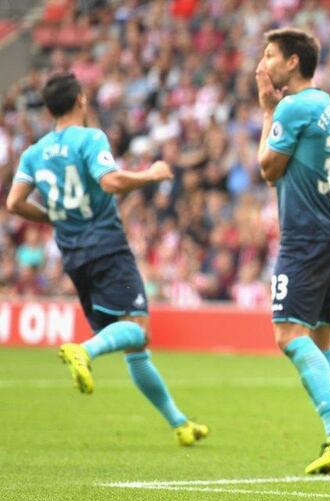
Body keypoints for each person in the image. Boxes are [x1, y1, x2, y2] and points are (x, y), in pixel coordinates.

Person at [6, 72, 208, 446]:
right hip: (107, 246)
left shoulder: (34, 152)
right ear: (81, 100)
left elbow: (14, 203)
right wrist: (152, 174)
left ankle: (180, 423)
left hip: (73, 255)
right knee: (139, 329)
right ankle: (84, 350)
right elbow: (110, 182)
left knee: (135, 348)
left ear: (49, 109)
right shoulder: (90, 138)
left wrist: (53, 215)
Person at [255, 28, 330, 474]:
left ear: (293, 62)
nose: (263, 65)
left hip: (304, 238)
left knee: (287, 334)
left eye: (269, 56)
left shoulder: (292, 105)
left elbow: (267, 168)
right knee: (321, 338)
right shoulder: (322, 102)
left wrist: (266, 111)